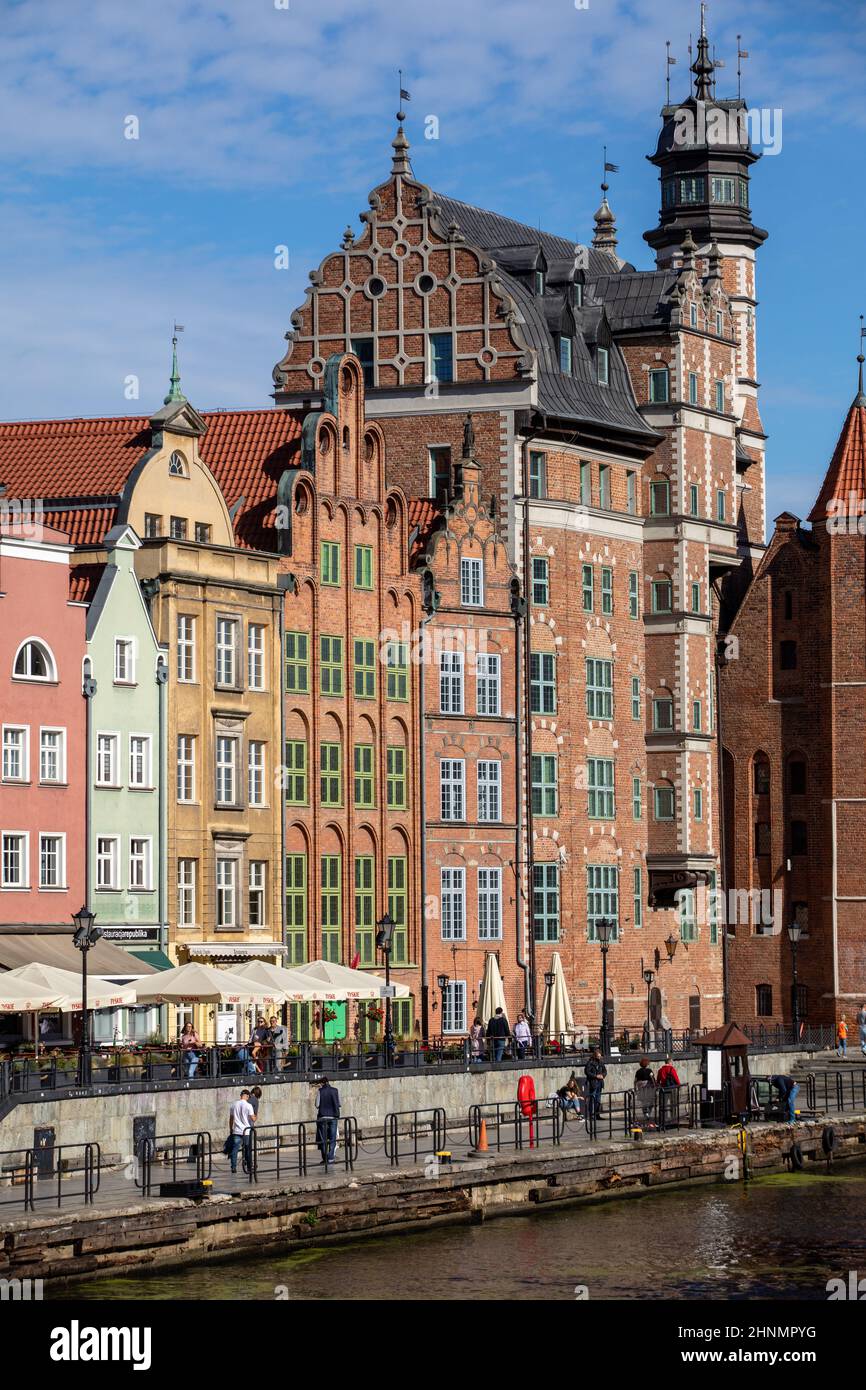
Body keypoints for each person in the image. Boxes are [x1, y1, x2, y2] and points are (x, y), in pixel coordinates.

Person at [227, 1089, 256, 1174]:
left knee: (235, 1149)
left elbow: (231, 1119)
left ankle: (233, 1167)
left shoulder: (233, 1105)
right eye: (248, 1097)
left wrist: (230, 1129)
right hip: (246, 1131)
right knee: (247, 1148)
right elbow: (253, 1119)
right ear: (247, 1096)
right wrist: (256, 1116)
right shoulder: (248, 1105)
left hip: (236, 1130)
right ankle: (249, 1167)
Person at [634, 1057, 657, 1129]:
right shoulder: (649, 1070)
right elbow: (653, 1079)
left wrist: (635, 1088)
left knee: (643, 1102)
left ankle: (645, 1113)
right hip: (648, 1088)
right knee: (651, 1101)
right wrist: (655, 1086)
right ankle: (648, 1113)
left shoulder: (638, 1071)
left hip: (641, 1088)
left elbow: (635, 1080)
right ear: (647, 1063)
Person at [584, 1049, 607, 1120]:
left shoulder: (601, 1062)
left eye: (600, 1056)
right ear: (595, 1056)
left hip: (600, 1083)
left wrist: (603, 1075)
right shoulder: (590, 1063)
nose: (599, 1058)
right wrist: (595, 1076)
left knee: (598, 1100)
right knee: (592, 1099)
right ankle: (591, 1115)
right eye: (598, 1056)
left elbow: (605, 1071)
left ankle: (597, 1115)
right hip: (593, 1083)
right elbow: (587, 1072)